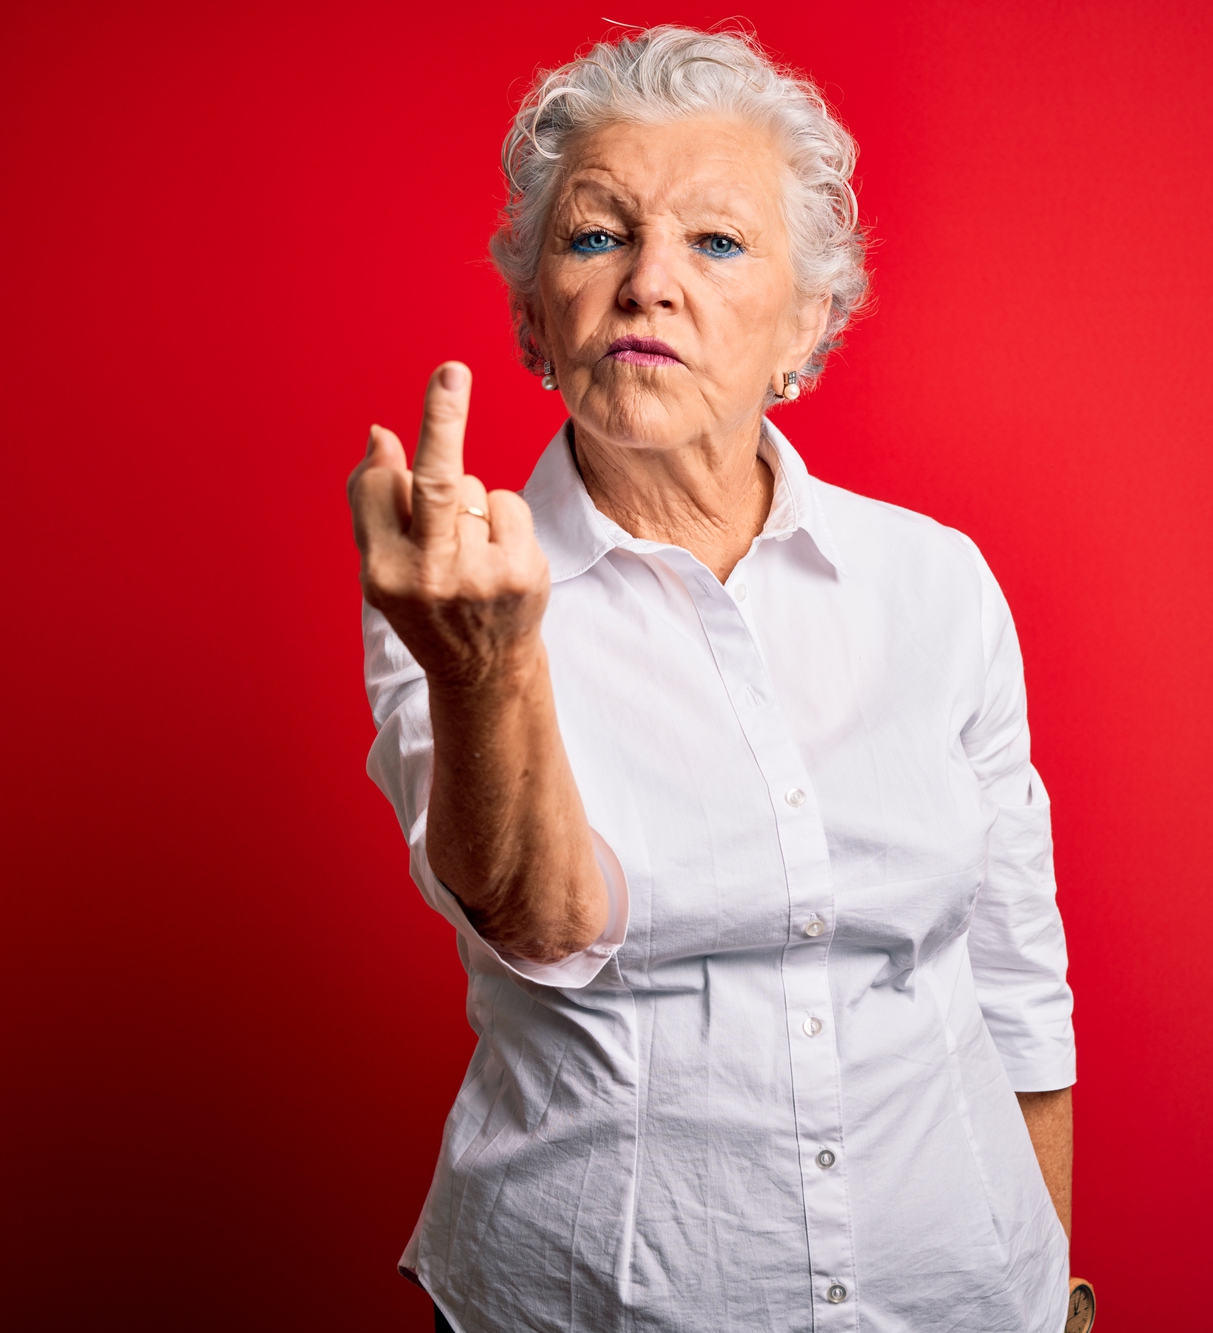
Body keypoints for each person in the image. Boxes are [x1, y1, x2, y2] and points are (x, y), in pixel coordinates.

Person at [353, 26, 1077, 1333]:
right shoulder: (454, 593)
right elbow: (543, 921)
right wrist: (491, 666)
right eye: (596, 238)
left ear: (810, 319)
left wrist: (1049, 1290)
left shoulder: (936, 582)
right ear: (532, 314)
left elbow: (1015, 985)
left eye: (717, 243)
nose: (648, 285)